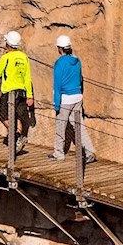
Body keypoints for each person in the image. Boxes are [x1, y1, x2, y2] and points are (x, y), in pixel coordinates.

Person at [50, 35, 96, 163]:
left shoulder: (59, 63)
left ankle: (58, 153)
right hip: (77, 97)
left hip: (65, 98)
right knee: (79, 125)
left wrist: (56, 104)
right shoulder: (77, 61)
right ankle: (89, 151)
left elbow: (57, 85)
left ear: (60, 48)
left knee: (61, 126)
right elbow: (80, 79)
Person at [0, 30, 34, 154]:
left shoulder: (6, 57)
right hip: (21, 91)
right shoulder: (24, 57)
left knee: (3, 116)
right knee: (17, 116)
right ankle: (17, 141)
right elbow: (28, 77)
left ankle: (17, 135)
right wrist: (29, 95)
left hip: (8, 91)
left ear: (8, 44)